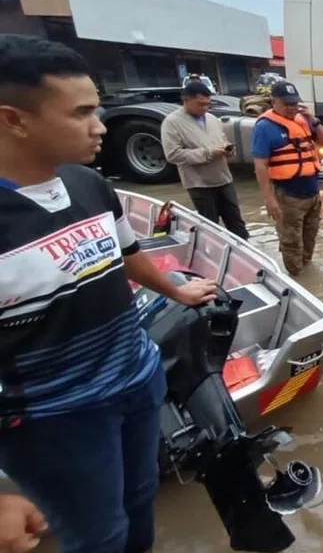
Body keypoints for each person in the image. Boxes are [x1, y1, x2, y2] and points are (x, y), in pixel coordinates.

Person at [0, 35, 218, 551]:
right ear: (14, 120)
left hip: (136, 382)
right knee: (99, 536)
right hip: (54, 418)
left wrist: (177, 292)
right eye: (81, 113)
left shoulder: (87, 184)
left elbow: (127, 253)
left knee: (140, 499)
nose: (101, 126)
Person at [252, 81, 323, 276]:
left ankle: (308, 273)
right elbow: (260, 165)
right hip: (288, 195)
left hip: (312, 194)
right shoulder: (264, 127)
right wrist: (269, 199)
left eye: (294, 103)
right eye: (286, 104)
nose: (292, 108)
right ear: (273, 102)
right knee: (291, 241)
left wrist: (314, 120)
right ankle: (296, 279)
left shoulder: (303, 121)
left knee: (310, 237)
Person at [160, 80, 249, 239]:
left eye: (207, 104)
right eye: (200, 104)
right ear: (186, 100)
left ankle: (245, 249)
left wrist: (227, 150)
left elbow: (222, 140)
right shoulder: (172, 122)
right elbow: (173, 155)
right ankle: (213, 252)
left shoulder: (212, 119)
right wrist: (207, 153)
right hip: (199, 184)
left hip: (223, 178)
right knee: (210, 226)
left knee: (236, 222)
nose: (204, 108)